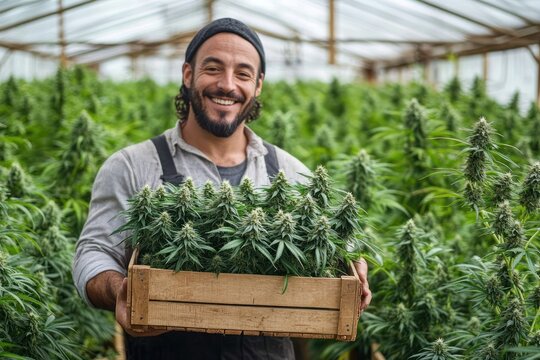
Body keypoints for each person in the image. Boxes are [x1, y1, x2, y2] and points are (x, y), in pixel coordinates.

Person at [73, 17, 371, 359]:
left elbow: (333, 242)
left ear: (258, 86)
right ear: (188, 75)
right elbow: (93, 253)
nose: (227, 85)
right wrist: (120, 291)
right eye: (213, 69)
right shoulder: (132, 165)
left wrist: (352, 263)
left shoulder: (290, 172)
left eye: (243, 74)